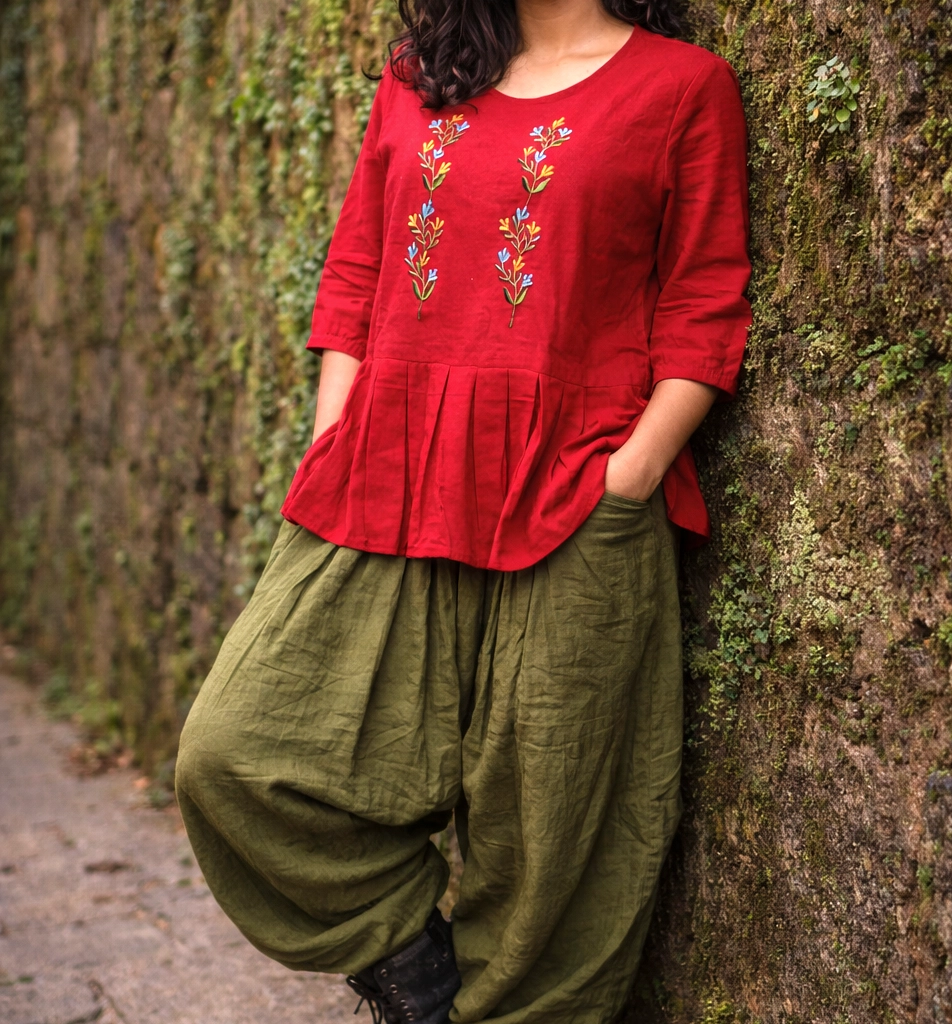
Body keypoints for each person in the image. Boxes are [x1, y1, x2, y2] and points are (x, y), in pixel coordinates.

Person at [174, 0, 751, 1021]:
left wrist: (632, 473)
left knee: (548, 842)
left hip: (578, 487)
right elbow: (355, 271)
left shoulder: (679, 87)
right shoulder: (421, 71)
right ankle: (411, 970)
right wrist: (333, 435)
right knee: (235, 751)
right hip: (385, 471)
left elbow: (703, 298)